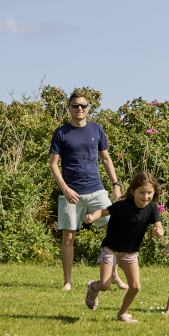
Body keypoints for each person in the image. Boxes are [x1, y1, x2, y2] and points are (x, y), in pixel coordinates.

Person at [49, 89, 125, 292]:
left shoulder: (97, 129)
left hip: (96, 189)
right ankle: (67, 281)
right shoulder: (61, 132)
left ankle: (115, 276)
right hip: (70, 193)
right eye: (75, 105)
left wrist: (116, 184)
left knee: (114, 231)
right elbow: (54, 165)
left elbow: (106, 159)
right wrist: (64, 189)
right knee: (68, 237)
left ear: (88, 108)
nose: (79, 108)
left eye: (83, 105)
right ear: (69, 108)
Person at [83, 171, 165, 323]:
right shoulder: (123, 206)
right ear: (133, 191)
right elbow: (103, 211)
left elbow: (158, 227)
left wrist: (159, 232)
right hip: (111, 248)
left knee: (135, 287)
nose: (145, 196)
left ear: (154, 193)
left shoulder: (153, 208)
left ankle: (122, 314)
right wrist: (92, 217)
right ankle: (93, 287)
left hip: (130, 252)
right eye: (141, 192)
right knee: (105, 285)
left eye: (149, 193)